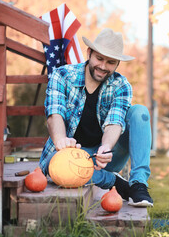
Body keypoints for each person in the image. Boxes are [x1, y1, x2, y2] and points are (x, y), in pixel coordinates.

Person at [39, 28, 153, 207]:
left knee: (140, 112)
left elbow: (115, 122)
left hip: (104, 156)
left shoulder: (121, 85)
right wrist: (61, 140)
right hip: (69, 154)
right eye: (99, 58)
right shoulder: (62, 75)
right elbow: (55, 113)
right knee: (54, 166)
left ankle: (138, 183)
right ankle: (116, 183)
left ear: (117, 64)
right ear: (89, 53)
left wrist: (106, 148)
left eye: (110, 62)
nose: (103, 66)